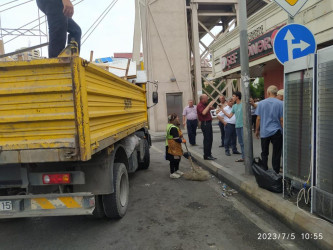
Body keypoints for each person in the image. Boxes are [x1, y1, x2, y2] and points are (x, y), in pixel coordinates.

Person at [255, 85, 283, 174]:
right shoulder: (280, 103)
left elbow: (258, 118)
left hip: (264, 131)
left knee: (264, 152)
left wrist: (257, 130)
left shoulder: (261, 103)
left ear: (268, 93)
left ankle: (264, 170)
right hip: (276, 131)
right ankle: (276, 172)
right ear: (276, 93)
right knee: (276, 153)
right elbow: (281, 120)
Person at [221, 91, 244, 162]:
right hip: (237, 126)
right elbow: (230, 116)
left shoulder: (243, 104)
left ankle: (246, 157)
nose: (232, 98)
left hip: (243, 126)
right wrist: (223, 110)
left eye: (234, 96)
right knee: (240, 142)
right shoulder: (234, 106)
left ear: (237, 97)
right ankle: (243, 157)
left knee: (244, 142)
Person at [166, 114, 186, 179]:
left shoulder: (171, 125)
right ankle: (172, 173)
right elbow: (176, 138)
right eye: (177, 118)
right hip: (173, 146)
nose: (178, 119)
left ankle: (177, 170)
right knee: (173, 159)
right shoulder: (173, 128)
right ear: (174, 119)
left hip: (173, 145)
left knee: (177, 158)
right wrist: (182, 141)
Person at [197, 94, 216, 160]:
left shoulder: (205, 105)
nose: (207, 99)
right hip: (205, 123)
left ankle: (209, 154)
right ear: (203, 99)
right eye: (206, 98)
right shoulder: (199, 105)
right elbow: (203, 113)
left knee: (210, 139)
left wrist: (213, 108)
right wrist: (208, 105)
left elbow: (211, 112)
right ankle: (206, 155)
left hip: (208, 123)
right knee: (207, 139)